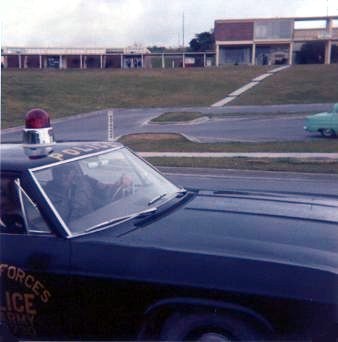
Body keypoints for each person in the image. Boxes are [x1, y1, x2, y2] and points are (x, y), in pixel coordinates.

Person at [44, 163, 133, 222]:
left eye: (66, 172)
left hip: (95, 223)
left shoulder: (85, 181)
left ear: (73, 173)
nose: (63, 176)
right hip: (71, 232)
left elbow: (106, 188)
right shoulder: (45, 194)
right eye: (58, 172)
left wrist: (121, 182)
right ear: (53, 174)